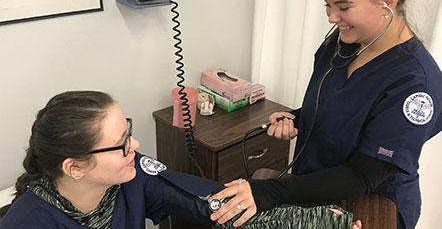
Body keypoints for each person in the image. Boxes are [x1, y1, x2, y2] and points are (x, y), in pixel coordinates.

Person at [208, 0, 442, 229]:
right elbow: (339, 103)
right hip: (313, 187)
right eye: (327, 5)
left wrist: (267, 191)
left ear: (388, 0)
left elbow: (361, 177)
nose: (331, 17)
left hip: (371, 205)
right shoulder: (343, 43)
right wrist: (297, 119)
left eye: (343, 7)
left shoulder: (416, 84)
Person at [0, 90, 361, 229]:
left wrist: (322, 221)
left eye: (129, 133)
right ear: (74, 167)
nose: (136, 146)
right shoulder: (26, 223)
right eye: (121, 144)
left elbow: (215, 204)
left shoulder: (133, 175)